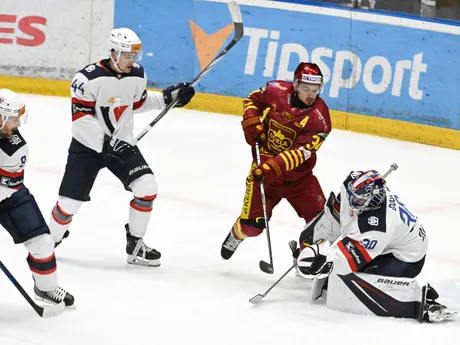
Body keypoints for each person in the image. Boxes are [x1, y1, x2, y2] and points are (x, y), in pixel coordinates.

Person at [49, 28, 195, 267]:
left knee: (147, 187)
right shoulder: (87, 78)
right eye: (128, 55)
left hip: (123, 145)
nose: (132, 60)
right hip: (88, 148)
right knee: (68, 204)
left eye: (135, 55)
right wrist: (109, 144)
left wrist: (169, 98)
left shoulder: (137, 74)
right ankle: (48, 242)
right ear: (114, 53)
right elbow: (82, 121)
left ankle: (135, 245)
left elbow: (137, 103)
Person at [295, 169, 456, 322]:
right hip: (393, 242)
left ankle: (419, 301)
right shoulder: (351, 184)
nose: (352, 202)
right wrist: (313, 242)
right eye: (353, 196)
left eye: (359, 200)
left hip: (406, 257)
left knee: (353, 277)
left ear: (373, 200)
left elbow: (344, 262)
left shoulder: (377, 227)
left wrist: (321, 260)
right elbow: (337, 212)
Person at [221, 62, 332, 260]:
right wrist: (251, 121)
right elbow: (252, 101)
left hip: (299, 179)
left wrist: (271, 167)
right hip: (264, 177)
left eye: (315, 90)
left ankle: (305, 259)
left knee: (322, 225)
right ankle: (237, 234)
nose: (310, 94)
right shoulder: (275, 90)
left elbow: (300, 153)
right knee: (252, 227)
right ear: (296, 85)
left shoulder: (320, 118)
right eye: (306, 88)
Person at [0, 89, 74, 308]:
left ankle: (46, 288)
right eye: (13, 119)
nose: (18, 125)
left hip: (9, 195)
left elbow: (7, 186)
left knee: (42, 243)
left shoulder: (14, 147)